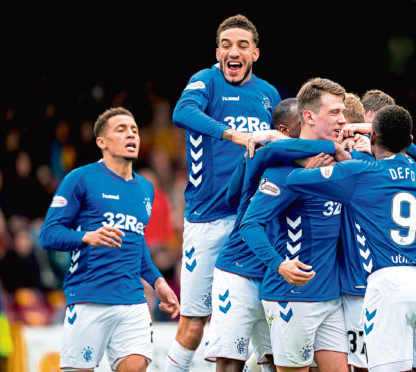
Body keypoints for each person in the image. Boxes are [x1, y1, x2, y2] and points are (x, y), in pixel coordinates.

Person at [286, 105, 416, 371]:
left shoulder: (361, 174)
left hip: (388, 285)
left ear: (373, 138)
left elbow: (296, 180)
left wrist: (317, 165)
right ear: (410, 142)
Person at [166, 14, 282, 372]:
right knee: (194, 323)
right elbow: (181, 112)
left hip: (252, 219)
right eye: (227, 45)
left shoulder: (268, 95)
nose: (234, 51)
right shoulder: (206, 82)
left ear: (255, 54)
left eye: (242, 45)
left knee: (266, 318)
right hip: (207, 218)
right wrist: (235, 135)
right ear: (218, 52)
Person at [39, 107, 180, 372]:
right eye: (121, 129)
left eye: (135, 130)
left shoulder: (145, 188)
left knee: (136, 367)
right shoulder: (80, 179)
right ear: (101, 142)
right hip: (89, 297)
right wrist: (86, 237)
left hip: (132, 300)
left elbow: (136, 245)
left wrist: (158, 282)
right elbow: (48, 235)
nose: (131, 135)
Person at [204, 97, 339, 372]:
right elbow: (234, 199)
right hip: (240, 269)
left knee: (278, 363)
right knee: (231, 361)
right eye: (300, 124)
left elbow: (232, 197)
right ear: (284, 130)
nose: (308, 131)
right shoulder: (264, 153)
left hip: (276, 276)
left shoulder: (304, 162)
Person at [239, 78, 351, 372]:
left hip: (330, 296)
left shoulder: (342, 162)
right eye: (335, 112)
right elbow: (249, 224)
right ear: (310, 116)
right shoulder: (284, 172)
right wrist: (279, 265)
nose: (342, 119)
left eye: (343, 112)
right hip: (292, 296)